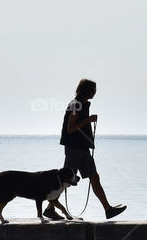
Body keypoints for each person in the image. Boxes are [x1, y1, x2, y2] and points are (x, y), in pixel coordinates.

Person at [44, 78, 127, 220]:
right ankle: (50, 209)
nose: (95, 92)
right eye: (93, 90)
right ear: (87, 91)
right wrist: (88, 120)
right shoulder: (76, 105)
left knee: (94, 176)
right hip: (74, 149)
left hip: (82, 149)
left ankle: (108, 210)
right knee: (65, 181)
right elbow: (70, 128)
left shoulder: (82, 104)